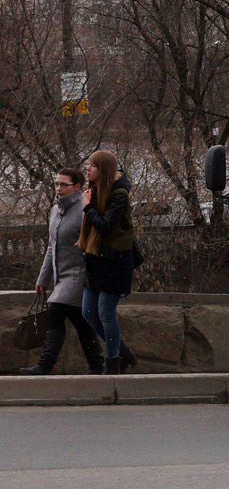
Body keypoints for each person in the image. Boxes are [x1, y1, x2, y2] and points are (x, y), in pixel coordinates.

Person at [18, 168, 105, 376]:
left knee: (55, 312)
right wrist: (43, 279)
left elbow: (94, 244)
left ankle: (45, 365)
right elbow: (51, 246)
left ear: (77, 186)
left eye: (63, 184)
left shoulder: (84, 209)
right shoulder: (56, 210)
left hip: (79, 274)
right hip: (61, 276)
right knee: (81, 321)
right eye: (56, 183)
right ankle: (103, 363)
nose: (58, 188)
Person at [78, 150, 138, 375]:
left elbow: (105, 225)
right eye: (88, 164)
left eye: (93, 165)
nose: (88, 169)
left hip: (115, 261)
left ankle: (112, 362)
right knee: (87, 312)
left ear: (103, 171)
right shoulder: (93, 190)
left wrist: (87, 206)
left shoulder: (119, 193)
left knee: (105, 312)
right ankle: (123, 351)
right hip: (96, 259)